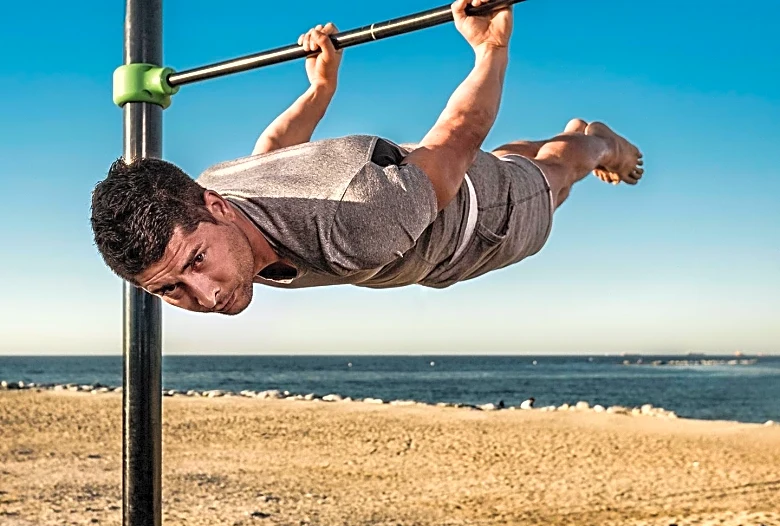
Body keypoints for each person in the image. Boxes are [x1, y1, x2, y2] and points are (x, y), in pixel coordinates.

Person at [90, 0, 643, 315]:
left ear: (217, 208)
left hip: (477, 224)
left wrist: (490, 49)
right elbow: (272, 152)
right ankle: (564, 139)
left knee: (554, 176)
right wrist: (320, 89)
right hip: (414, 185)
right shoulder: (214, 187)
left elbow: (457, 136)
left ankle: (601, 142)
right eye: (170, 290)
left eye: (195, 262)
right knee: (507, 160)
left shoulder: (355, 223)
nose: (206, 295)